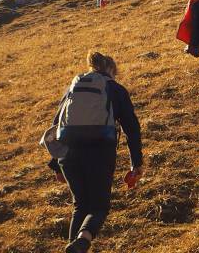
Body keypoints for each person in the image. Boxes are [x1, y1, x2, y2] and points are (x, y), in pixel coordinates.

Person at [48, 51, 144, 253]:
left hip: (68, 154)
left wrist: (56, 163)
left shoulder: (73, 87)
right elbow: (131, 129)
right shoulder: (115, 89)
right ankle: (83, 239)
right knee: (99, 207)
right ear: (110, 69)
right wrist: (136, 163)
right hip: (100, 151)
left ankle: (75, 246)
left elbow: (56, 125)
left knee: (80, 206)